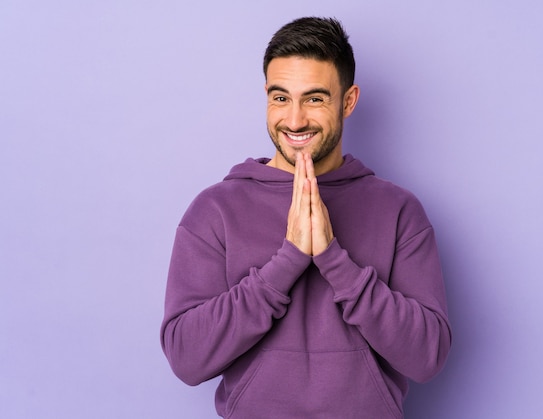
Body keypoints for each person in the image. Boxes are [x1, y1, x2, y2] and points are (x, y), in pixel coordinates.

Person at [160, 16, 451, 419]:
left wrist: (334, 259)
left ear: (348, 101)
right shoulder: (215, 210)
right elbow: (186, 359)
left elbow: (427, 356)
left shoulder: (398, 210)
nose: (294, 121)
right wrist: (288, 260)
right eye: (281, 98)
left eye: (314, 99)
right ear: (266, 94)